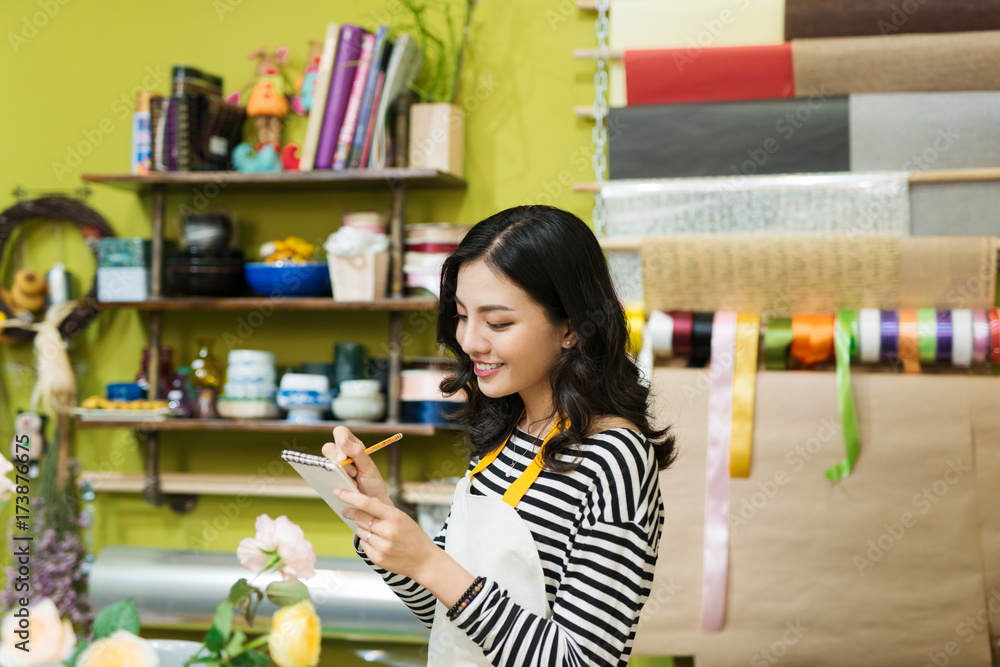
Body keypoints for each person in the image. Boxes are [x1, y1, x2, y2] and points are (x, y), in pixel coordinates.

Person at [326, 205, 676, 666]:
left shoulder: (614, 459)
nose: (470, 341)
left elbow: (583, 661)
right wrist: (376, 517)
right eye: (461, 315)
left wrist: (430, 563)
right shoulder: (505, 437)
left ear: (570, 328)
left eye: (497, 323)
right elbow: (447, 615)